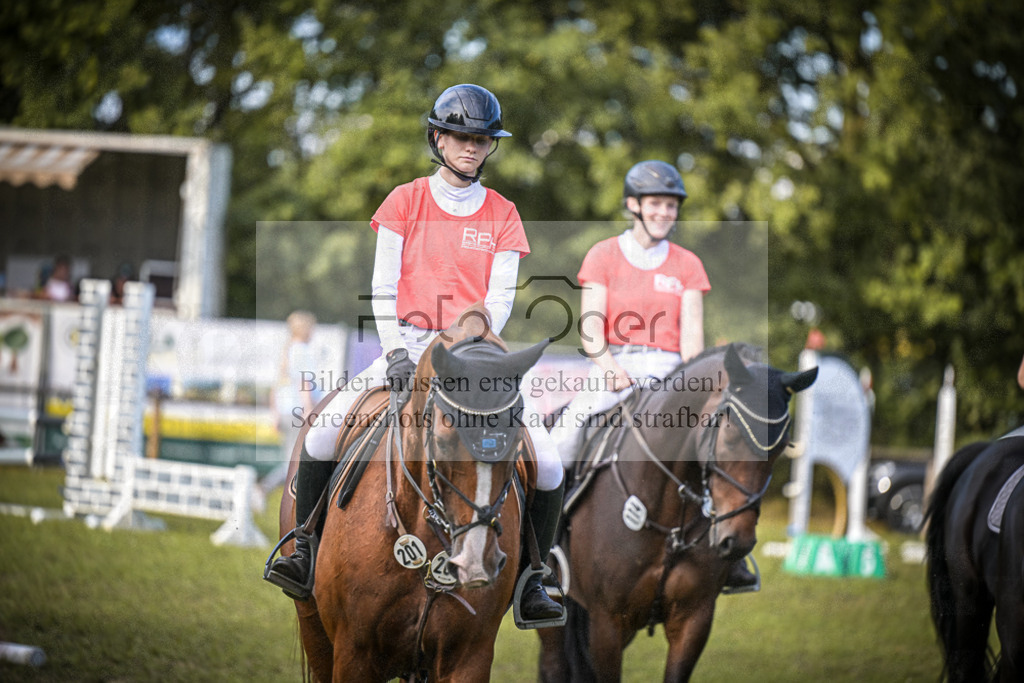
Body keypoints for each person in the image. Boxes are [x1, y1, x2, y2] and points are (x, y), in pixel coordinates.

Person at [265, 84, 565, 624]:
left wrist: (462, 343)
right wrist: (399, 352)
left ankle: (531, 580)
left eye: (483, 140)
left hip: (472, 356)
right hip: (402, 344)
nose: (473, 147)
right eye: (462, 137)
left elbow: (497, 301)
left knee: (548, 461)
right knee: (323, 431)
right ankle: (304, 548)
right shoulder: (405, 200)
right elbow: (381, 287)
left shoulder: (503, 213)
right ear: (438, 138)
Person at [549, 159, 755, 592]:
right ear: (633, 205)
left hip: (671, 372)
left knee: (720, 441)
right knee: (562, 439)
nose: (664, 212)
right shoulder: (603, 254)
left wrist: (685, 387)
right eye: (656, 203)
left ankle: (735, 558)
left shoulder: (688, 265)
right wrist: (610, 370)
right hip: (613, 366)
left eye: (671, 205)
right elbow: (591, 329)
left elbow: (693, 344)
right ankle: (548, 551)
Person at [262, 311, 322, 495]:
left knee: (293, 460)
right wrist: (309, 409)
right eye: (311, 328)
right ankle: (264, 489)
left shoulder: (287, 352)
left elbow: (276, 387)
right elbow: (303, 381)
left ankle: (269, 490)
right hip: (298, 412)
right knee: (295, 462)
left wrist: (275, 414)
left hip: (286, 411)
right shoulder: (301, 351)